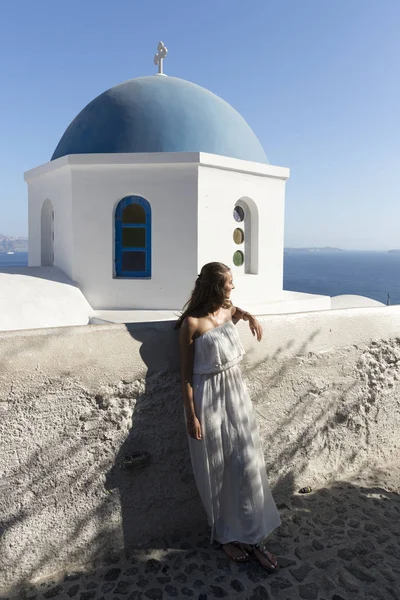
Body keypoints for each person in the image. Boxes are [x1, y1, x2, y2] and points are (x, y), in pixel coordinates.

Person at [177, 262, 281, 570]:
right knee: (218, 472)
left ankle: (253, 537)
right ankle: (225, 537)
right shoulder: (192, 324)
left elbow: (235, 312)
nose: (232, 288)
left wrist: (249, 316)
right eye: (228, 283)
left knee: (248, 467)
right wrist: (191, 416)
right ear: (213, 286)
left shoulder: (228, 310)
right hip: (209, 400)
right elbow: (184, 376)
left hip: (236, 397)